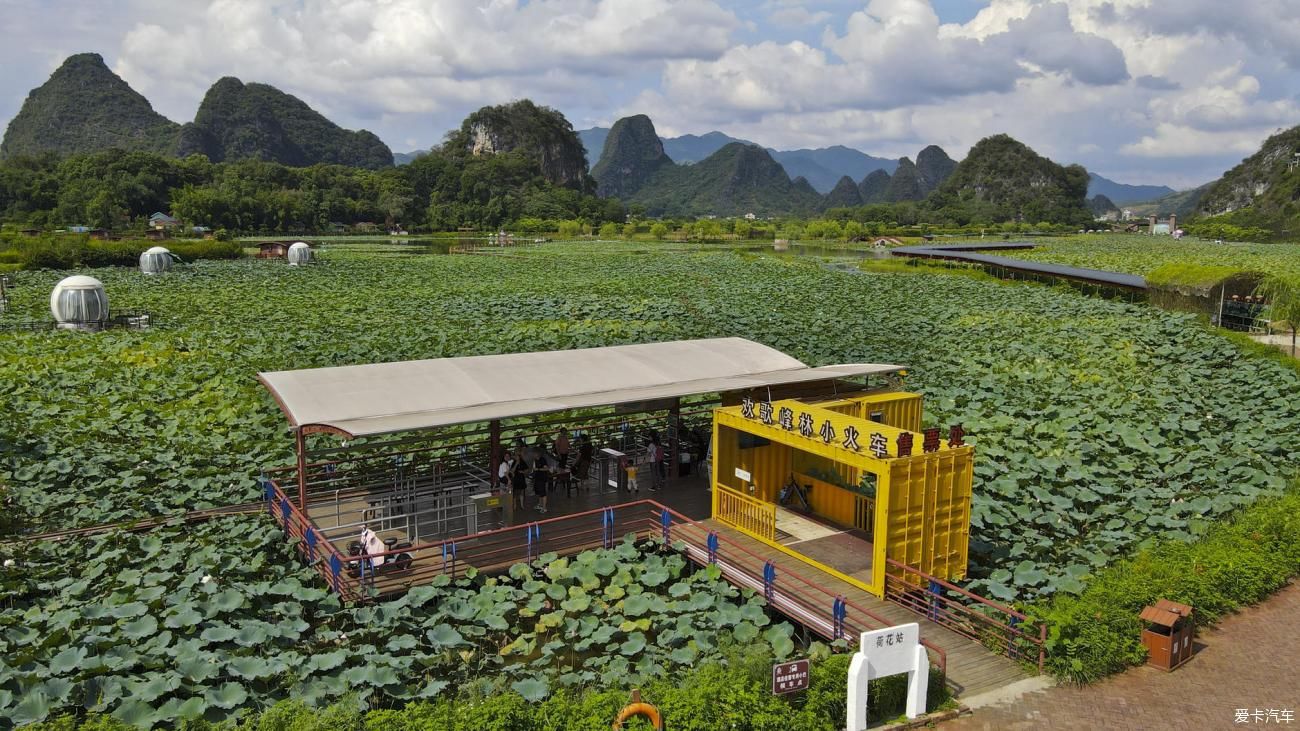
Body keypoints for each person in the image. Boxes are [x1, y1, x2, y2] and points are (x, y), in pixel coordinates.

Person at [510, 447, 530, 511]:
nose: (517, 456)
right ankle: (515, 506)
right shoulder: (513, 462)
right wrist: (516, 463)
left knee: (522, 492)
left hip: (521, 478)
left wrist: (523, 472)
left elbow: (527, 469)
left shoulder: (522, 461)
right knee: (515, 493)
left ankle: (522, 505)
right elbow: (512, 471)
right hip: (515, 479)